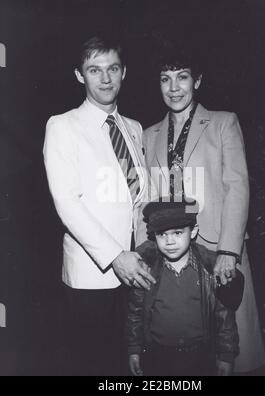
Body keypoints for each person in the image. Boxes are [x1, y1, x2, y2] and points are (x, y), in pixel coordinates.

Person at [143, 44, 265, 372]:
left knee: (231, 354)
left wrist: (229, 250)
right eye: (164, 79)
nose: (173, 88)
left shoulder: (223, 123)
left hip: (218, 249)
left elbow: (237, 187)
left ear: (197, 81)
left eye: (181, 77)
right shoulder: (148, 134)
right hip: (172, 255)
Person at [43, 34, 155, 375]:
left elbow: (140, 200)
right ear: (80, 75)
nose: (105, 79)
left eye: (113, 69)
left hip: (137, 270)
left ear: (124, 73)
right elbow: (67, 202)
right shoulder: (63, 126)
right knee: (94, 366)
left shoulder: (134, 128)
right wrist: (114, 256)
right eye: (95, 70)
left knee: (132, 366)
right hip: (93, 278)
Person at [127, 198, 239, 376]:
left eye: (178, 233)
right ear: (154, 236)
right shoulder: (146, 270)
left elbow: (224, 315)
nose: (169, 241)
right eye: (162, 234)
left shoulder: (209, 271)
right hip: (158, 357)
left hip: (200, 358)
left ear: (193, 231)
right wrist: (134, 349)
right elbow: (135, 312)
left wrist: (226, 354)